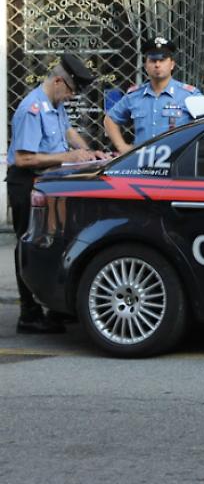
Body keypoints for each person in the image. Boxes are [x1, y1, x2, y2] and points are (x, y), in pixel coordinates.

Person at [7, 54, 109, 332]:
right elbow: (23, 159)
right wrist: (69, 156)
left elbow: (68, 130)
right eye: (71, 92)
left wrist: (87, 152)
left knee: (50, 243)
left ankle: (53, 308)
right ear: (58, 81)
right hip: (27, 183)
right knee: (28, 245)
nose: (70, 98)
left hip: (48, 183)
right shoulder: (33, 109)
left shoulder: (54, 103)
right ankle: (28, 313)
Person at [103, 36, 201, 154]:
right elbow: (110, 120)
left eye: (162, 60)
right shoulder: (135, 96)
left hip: (176, 162)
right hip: (141, 163)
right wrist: (122, 147)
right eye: (153, 60)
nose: (157, 65)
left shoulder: (189, 95)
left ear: (172, 65)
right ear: (145, 66)